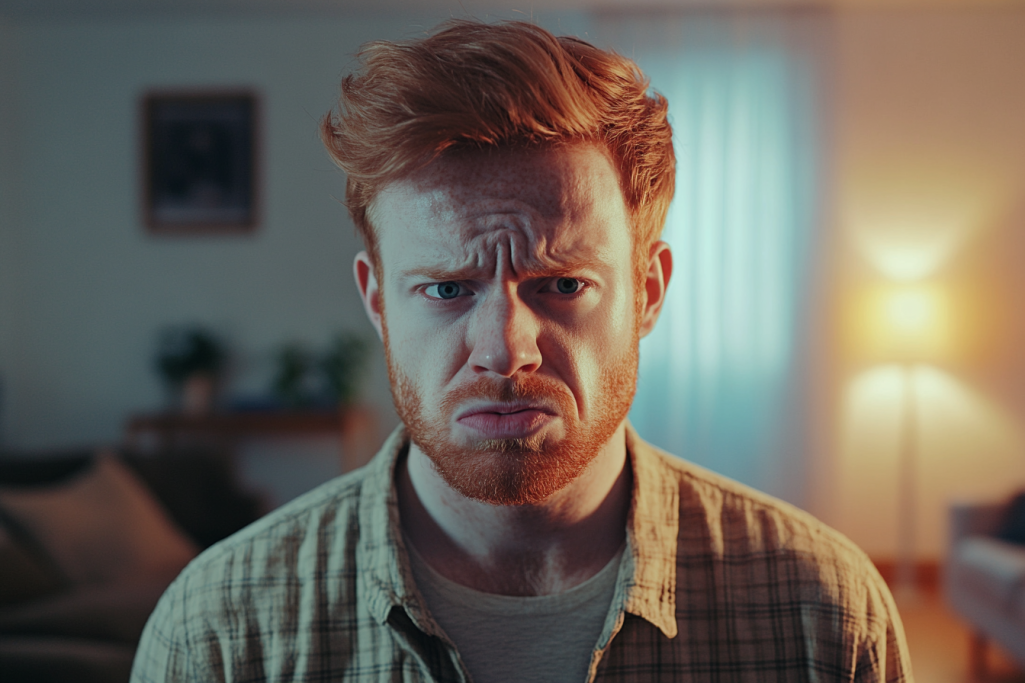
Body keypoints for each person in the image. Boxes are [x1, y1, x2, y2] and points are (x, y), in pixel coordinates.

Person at [132, 19, 912, 683]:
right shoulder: (219, 632)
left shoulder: (820, 609)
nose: (504, 351)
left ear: (647, 290)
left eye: (563, 285)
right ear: (376, 301)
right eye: (445, 289)